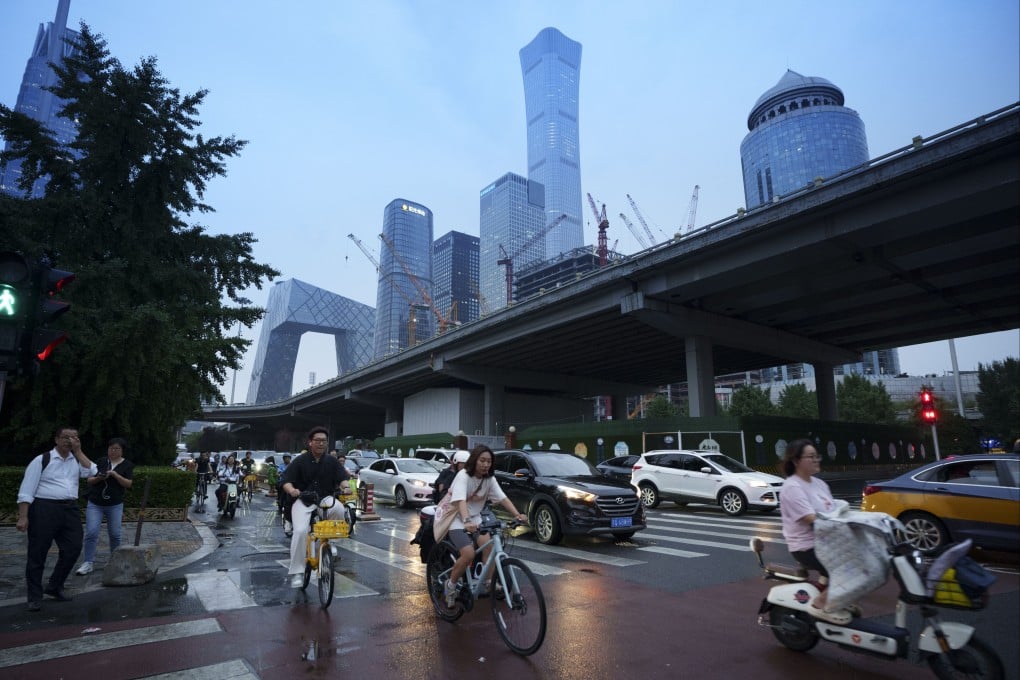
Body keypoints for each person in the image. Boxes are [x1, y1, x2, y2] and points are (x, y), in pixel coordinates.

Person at [16, 427, 97, 612]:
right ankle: (34, 596)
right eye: (66, 437)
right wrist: (23, 516)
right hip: (44, 508)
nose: (70, 440)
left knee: (74, 547)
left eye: (74, 437)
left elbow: (94, 471)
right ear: (56, 440)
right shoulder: (42, 460)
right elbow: (26, 489)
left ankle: (54, 585)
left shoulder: (76, 459)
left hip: (70, 509)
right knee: (38, 553)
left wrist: (78, 451)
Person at [441, 445, 527, 608]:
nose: (485, 464)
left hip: (475, 518)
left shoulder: (489, 479)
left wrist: (517, 515)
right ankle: (450, 586)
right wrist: (466, 521)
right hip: (457, 518)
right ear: (474, 460)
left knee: (489, 548)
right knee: (468, 554)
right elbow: (460, 500)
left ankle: (489, 582)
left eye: (489, 461)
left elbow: (503, 498)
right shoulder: (463, 476)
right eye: (482, 460)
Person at [281, 428, 351, 588]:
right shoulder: (299, 460)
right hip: (303, 499)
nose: (321, 443)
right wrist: (292, 490)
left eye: (324, 440)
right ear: (310, 442)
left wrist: (346, 487)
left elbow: (342, 478)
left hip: (324, 497)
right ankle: (297, 572)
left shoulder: (332, 461)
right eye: (317, 440)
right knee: (300, 531)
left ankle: (331, 542)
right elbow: (286, 480)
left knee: (339, 509)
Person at [779, 438, 836, 610]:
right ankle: (819, 606)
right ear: (796, 461)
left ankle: (824, 590)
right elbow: (812, 520)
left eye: (817, 455)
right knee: (846, 568)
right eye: (810, 456)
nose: (816, 459)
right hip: (806, 547)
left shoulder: (820, 484)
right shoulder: (792, 487)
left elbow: (833, 512)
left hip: (825, 542)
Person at [76, 437, 134, 576]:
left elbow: (128, 484)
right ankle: (88, 562)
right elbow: (89, 480)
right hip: (95, 503)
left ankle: (115, 561)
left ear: (122, 451)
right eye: (111, 448)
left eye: (116, 449)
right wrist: (99, 478)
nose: (113, 451)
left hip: (115, 504)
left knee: (115, 534)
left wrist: (115, 475)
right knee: (91, 532)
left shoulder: (127, 465)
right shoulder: (101, 461)